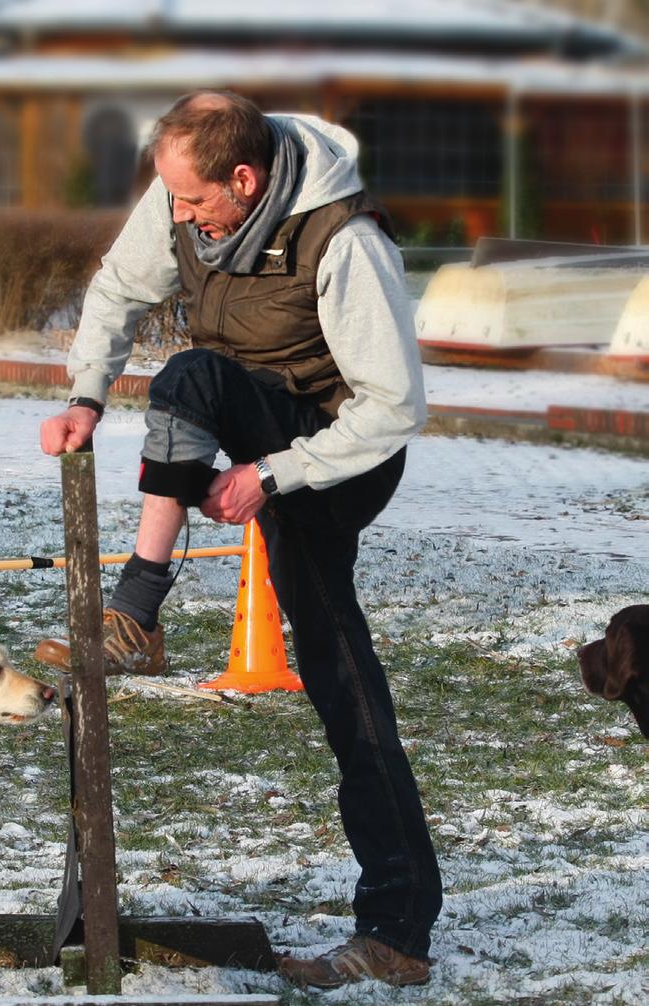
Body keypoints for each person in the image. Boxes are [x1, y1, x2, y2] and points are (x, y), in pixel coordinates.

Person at [37, 90, 442, 989]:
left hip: (339, 459)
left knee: (191, 377)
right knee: (189, 378)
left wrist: (273, 475)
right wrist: (85, 395)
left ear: (245, 180)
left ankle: (139, 604)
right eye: (172, 201)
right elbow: (116, 289)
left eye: (190, 202)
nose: (176, 218)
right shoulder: (186, 193)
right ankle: (136, 616)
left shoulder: (344, 240)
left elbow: (396, 409)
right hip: (248, 421)